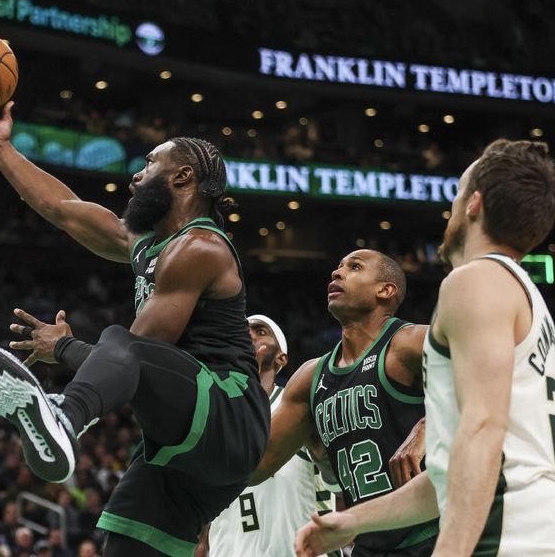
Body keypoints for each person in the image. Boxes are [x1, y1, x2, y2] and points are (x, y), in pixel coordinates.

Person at [0, 103, 270, 557]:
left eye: (149, 163)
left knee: (122, 339)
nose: (135, 177)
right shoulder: (147, 242)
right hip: (182, 444)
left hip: (228, 414)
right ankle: (64, 419)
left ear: (182, 177)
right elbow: (62, 209)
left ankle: (67, 415)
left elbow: (140, 351)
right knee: (125, 545)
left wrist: (64, 348)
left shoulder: (200, 246)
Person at [294, 139, 555, 557]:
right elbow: (450, 475)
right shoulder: (523, 296)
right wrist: (353, 520)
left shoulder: (475, 281)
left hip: (503, 533)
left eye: (455, 195)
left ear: (474, 204)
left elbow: (483, 430)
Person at [251, 250, 437, 555]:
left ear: (385, 290)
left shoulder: (410, 342)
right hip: (367, 541)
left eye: (354, 267)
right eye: (337, 268)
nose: (337, 273)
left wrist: (430, 426)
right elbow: (256, 465)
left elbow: (493, 374)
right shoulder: (310, 377)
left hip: (436, 531)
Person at [207, 315, 339, 557]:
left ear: (281, 358)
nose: (248, 334)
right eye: (241, 329)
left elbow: (338, 486)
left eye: (260, 331)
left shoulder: (297, 411)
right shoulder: (215, 418)